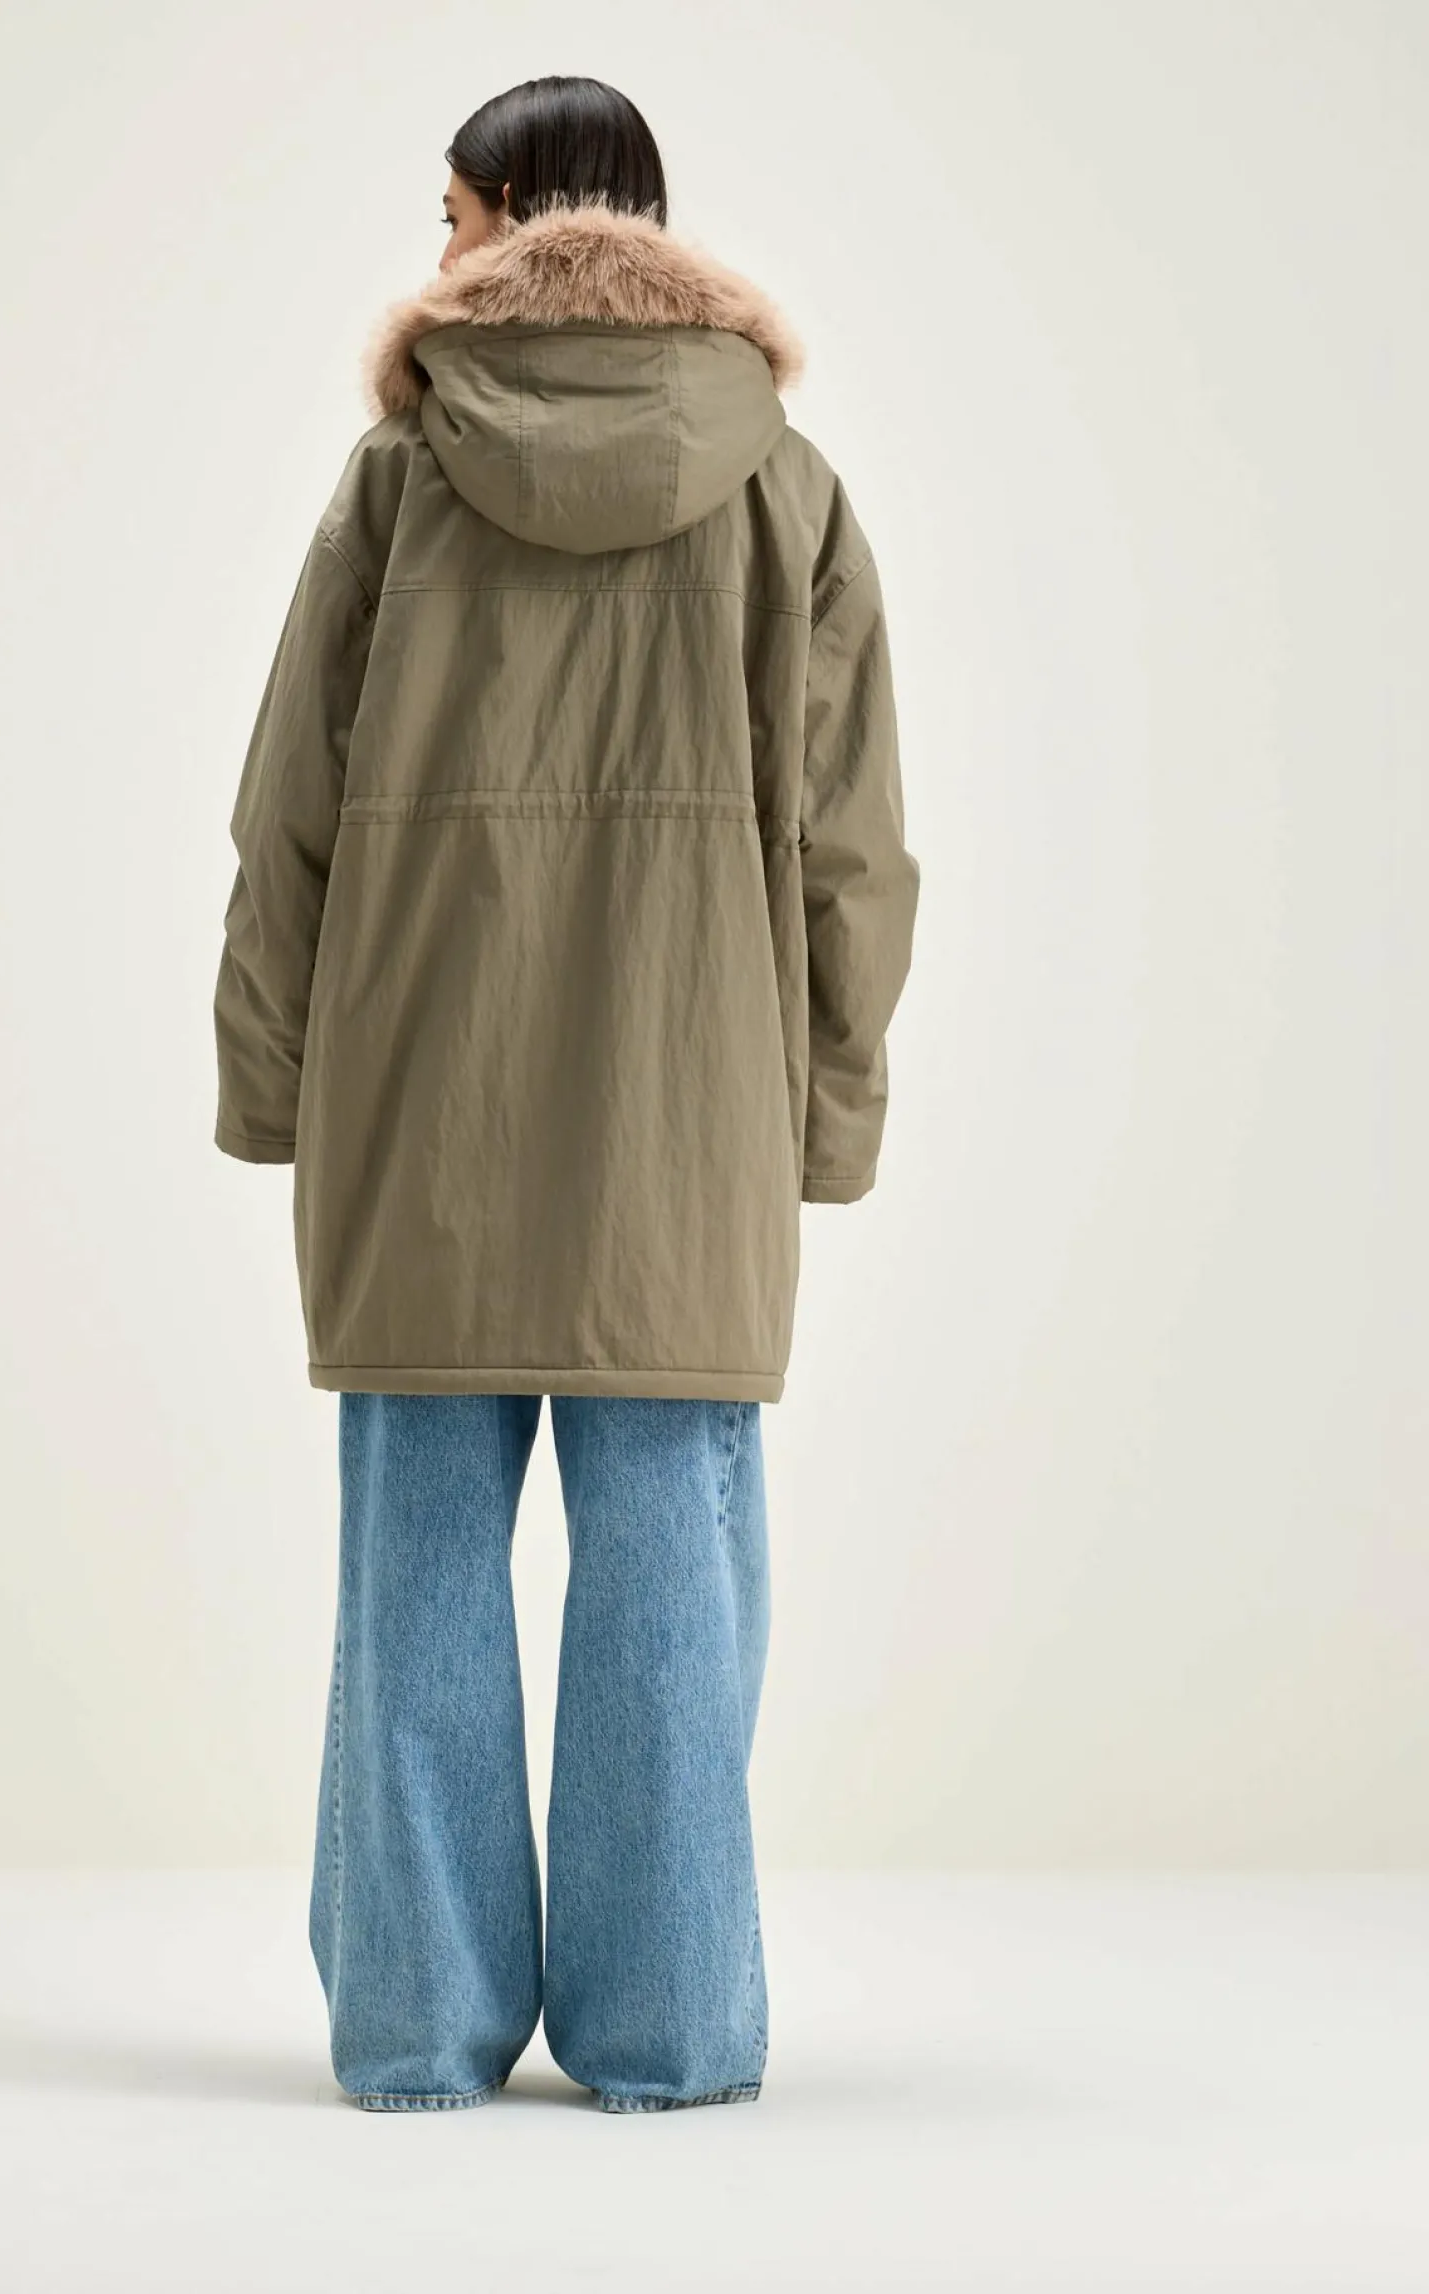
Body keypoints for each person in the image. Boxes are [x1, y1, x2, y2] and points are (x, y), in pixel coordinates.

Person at [211, 75, 921, 2113]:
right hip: (685, 1122)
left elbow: (286, 816)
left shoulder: (397, 477)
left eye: (452, 214)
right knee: (671, 1568)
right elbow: (854, 853)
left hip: (415, 1104)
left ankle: (417, 2028)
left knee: (415, 1562)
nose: (436, 252)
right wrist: (826, 1112)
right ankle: (666, 2031)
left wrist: (271, 1082)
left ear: (522, 211)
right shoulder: (783, 489)